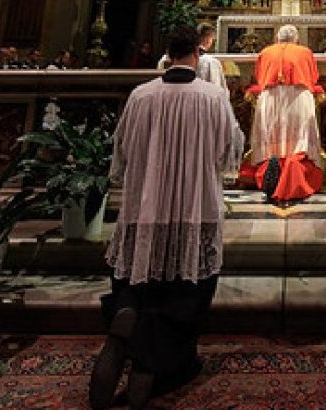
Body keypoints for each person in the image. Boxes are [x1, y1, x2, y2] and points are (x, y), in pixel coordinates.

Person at [92, 26, 242, 410]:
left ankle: (126, 312)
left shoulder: (140, 95)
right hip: (194, 206)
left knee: (139, 274)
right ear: (198, 53)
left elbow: (122, 147)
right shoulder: (213, 97)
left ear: (167, 54)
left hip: (145, 205)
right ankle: (155, 365)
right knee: (188, 288)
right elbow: (230, 150)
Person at [242, 24, 325, 202]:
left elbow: (259, 77)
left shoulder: (266, 52)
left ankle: (272, 171)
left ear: (277, 38)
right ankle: (293, 175)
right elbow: (313, 77)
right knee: (298, 138)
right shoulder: (305, 52)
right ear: (296, 39)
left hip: (271, 98)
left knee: (272, 136)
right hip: (298, 97)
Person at [157, 24, 227, 90]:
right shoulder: (210, 62)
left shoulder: (163, 60)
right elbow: (218, 90)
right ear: (208, 40)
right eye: (212, 40)